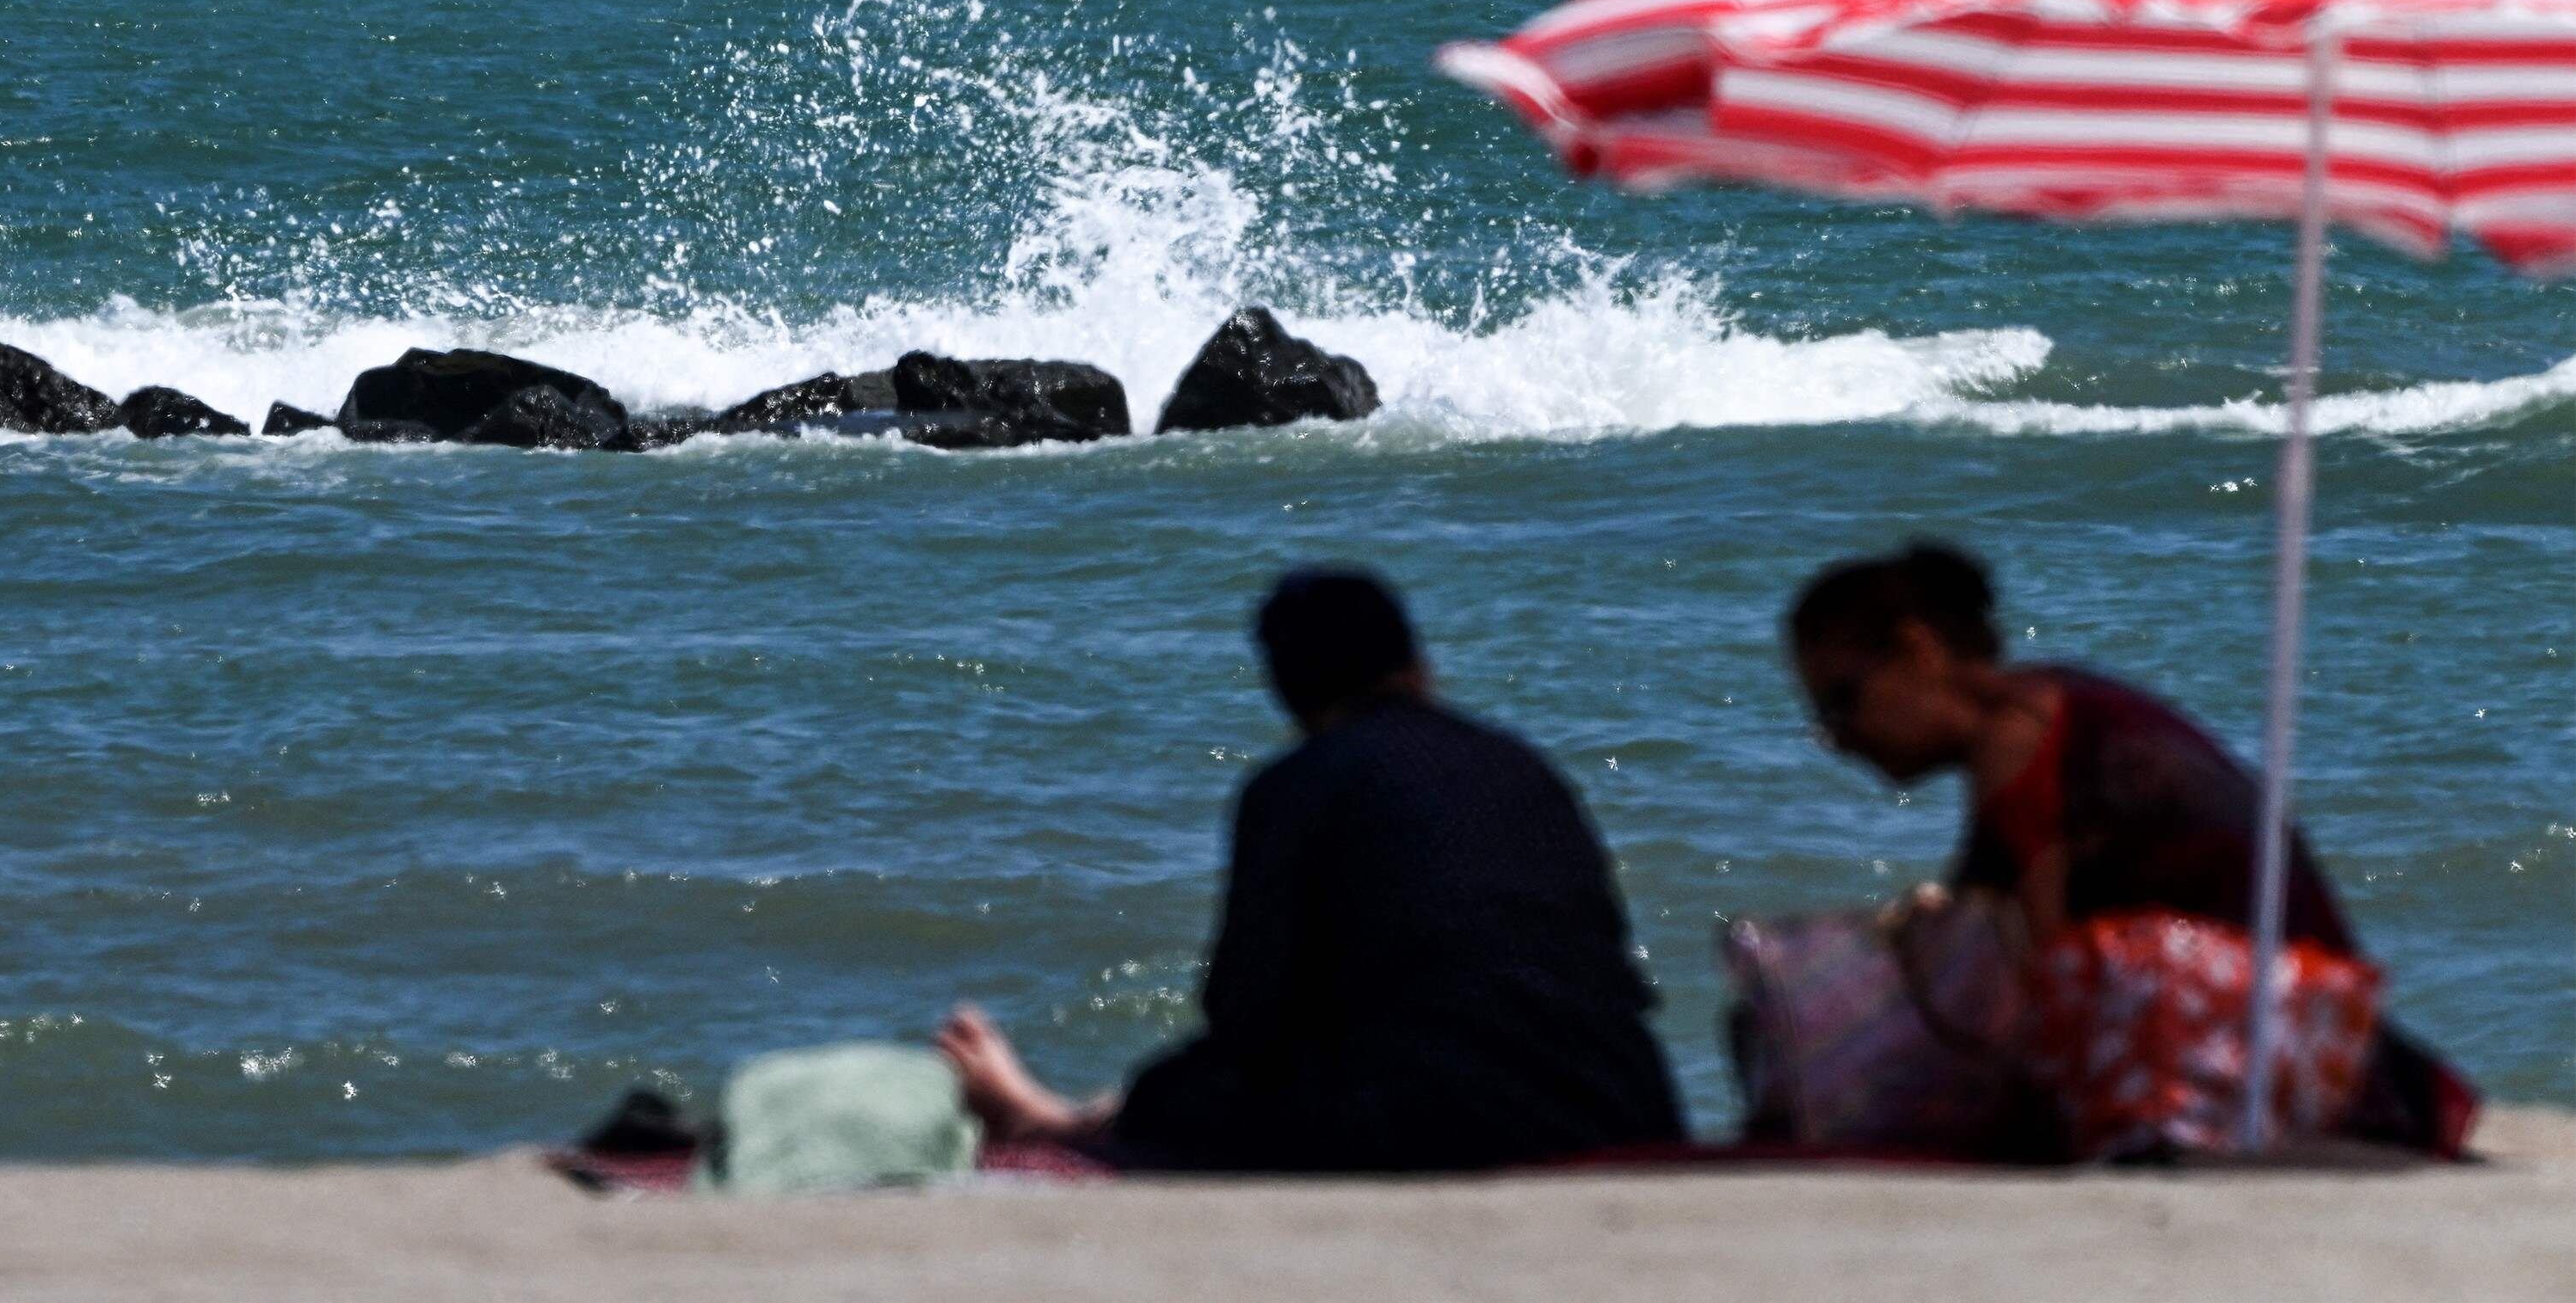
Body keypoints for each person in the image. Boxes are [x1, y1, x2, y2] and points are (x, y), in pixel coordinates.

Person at [934, 567, 1686, 1172]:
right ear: (1420, 664)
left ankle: (1053, 1122)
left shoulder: (1295, 783)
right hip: (1621, 1098)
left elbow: (1246, 1012)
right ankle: (1056, 1113)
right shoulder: (1521, 763)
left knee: (1193, 1087)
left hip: (1439, 1124)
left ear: (1286, 692)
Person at [1784, 539, 2475, 1156]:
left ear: (1918, 653)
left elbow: (2038, 960)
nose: (1839, 736)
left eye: (1842, 701)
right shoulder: (2056, 696)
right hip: (2333, 1037)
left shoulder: (2015, 735)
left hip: (2270, 1047)